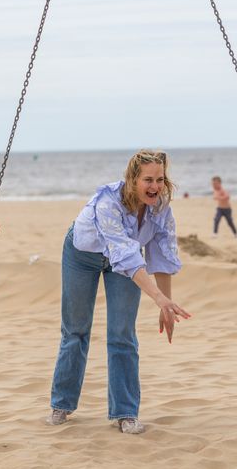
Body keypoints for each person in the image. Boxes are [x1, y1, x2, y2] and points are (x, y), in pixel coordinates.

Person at [47, 150, 192, 434]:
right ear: (132, 180)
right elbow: (124, 253)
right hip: (82, 254)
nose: (155, 186)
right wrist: (158, 297)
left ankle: (125, 413)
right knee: (76, 330)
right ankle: (61, 404)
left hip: (124, 262)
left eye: (160, 180)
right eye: (148, 180)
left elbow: (161, 255)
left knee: (122, 334)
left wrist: (166, 304)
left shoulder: (161, 208)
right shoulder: (108, 203)